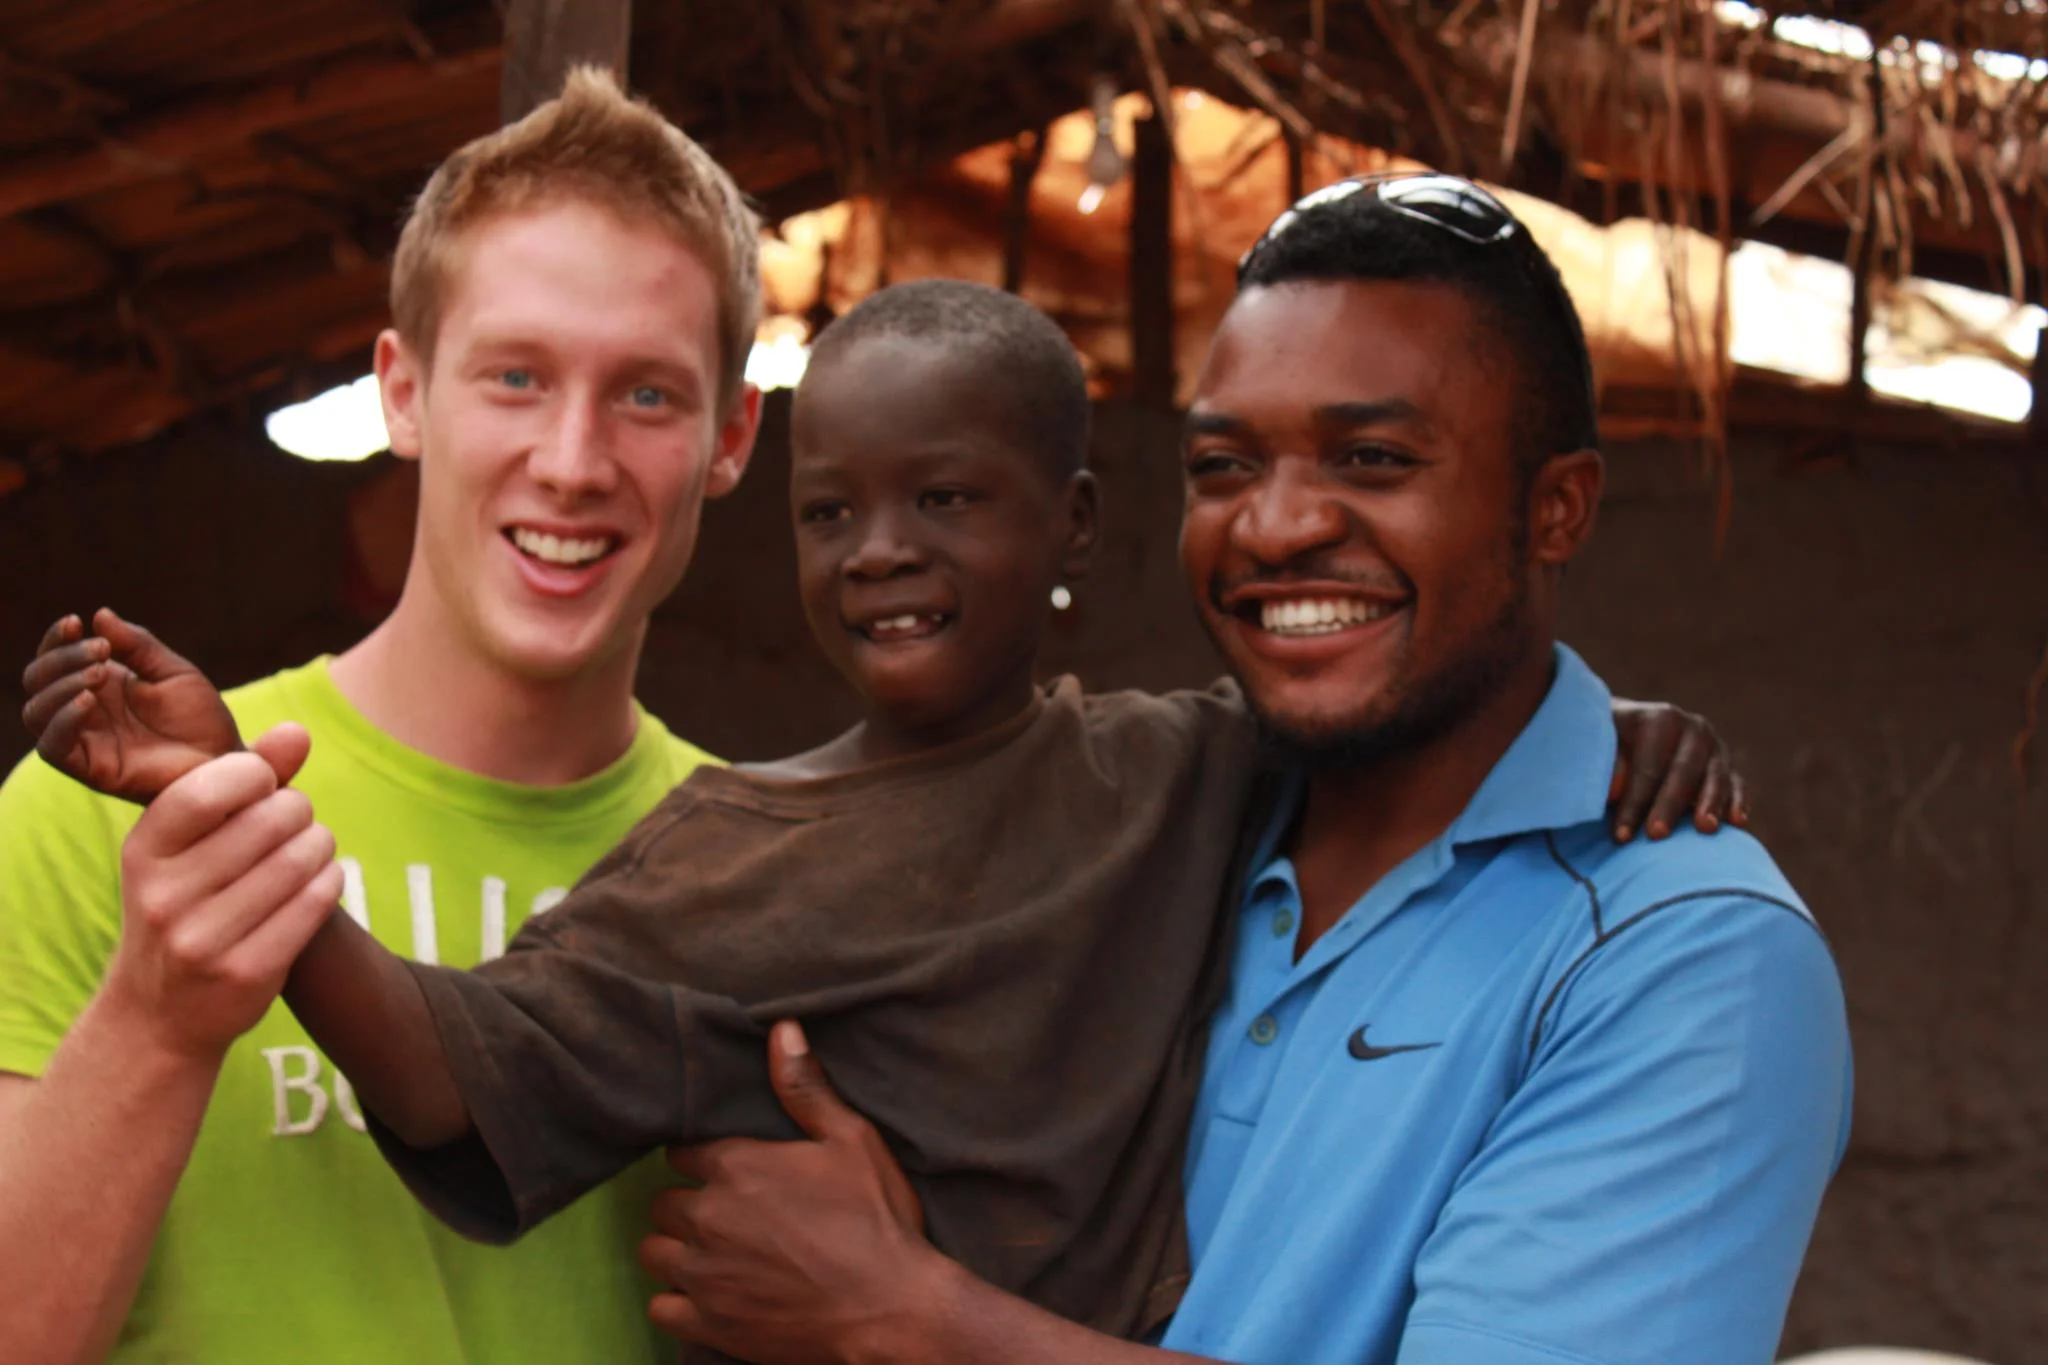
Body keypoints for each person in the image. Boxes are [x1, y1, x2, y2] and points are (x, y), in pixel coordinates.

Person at [19, 279, 1742, 1353]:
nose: (880, 552)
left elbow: (1413, 707)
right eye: (828, 509)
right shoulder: (726, 853)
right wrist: (233, 799)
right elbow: (441, 1064)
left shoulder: (1182, 772)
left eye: (945, 500)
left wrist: (1608, 729)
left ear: (1071, 527)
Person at [628, 175, 1853, 1365]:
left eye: (1370, 459)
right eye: (1223, 467)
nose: (1274, 527)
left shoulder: (1683, 960)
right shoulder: (1164, 833)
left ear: (1557, 511)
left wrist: (900, 1315)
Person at [0, 69, 763, 1364]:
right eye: (515, 376)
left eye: (646, 394)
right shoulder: (104, 817)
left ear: (733, 435)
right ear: (402, 393)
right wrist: (157, 1012)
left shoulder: (774, 872)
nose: (574, 461)